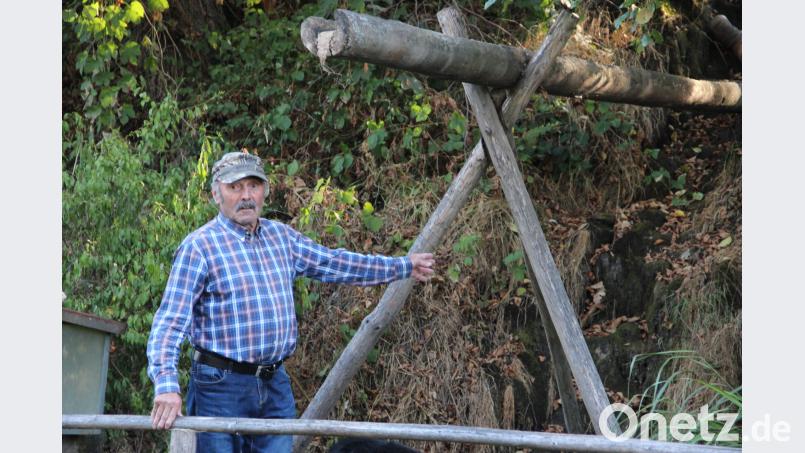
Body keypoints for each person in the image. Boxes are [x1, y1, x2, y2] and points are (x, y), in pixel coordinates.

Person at [146, 151, 435, 452]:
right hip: (220, 387)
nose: (246, 196)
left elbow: (335, 263)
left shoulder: (281, 238)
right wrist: (166, 386)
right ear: (217, 194)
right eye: (235, 187)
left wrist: (403, 266)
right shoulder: (199, 247)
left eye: (254, 186)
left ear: (265, 192)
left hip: (274, 385)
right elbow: (169, 322)